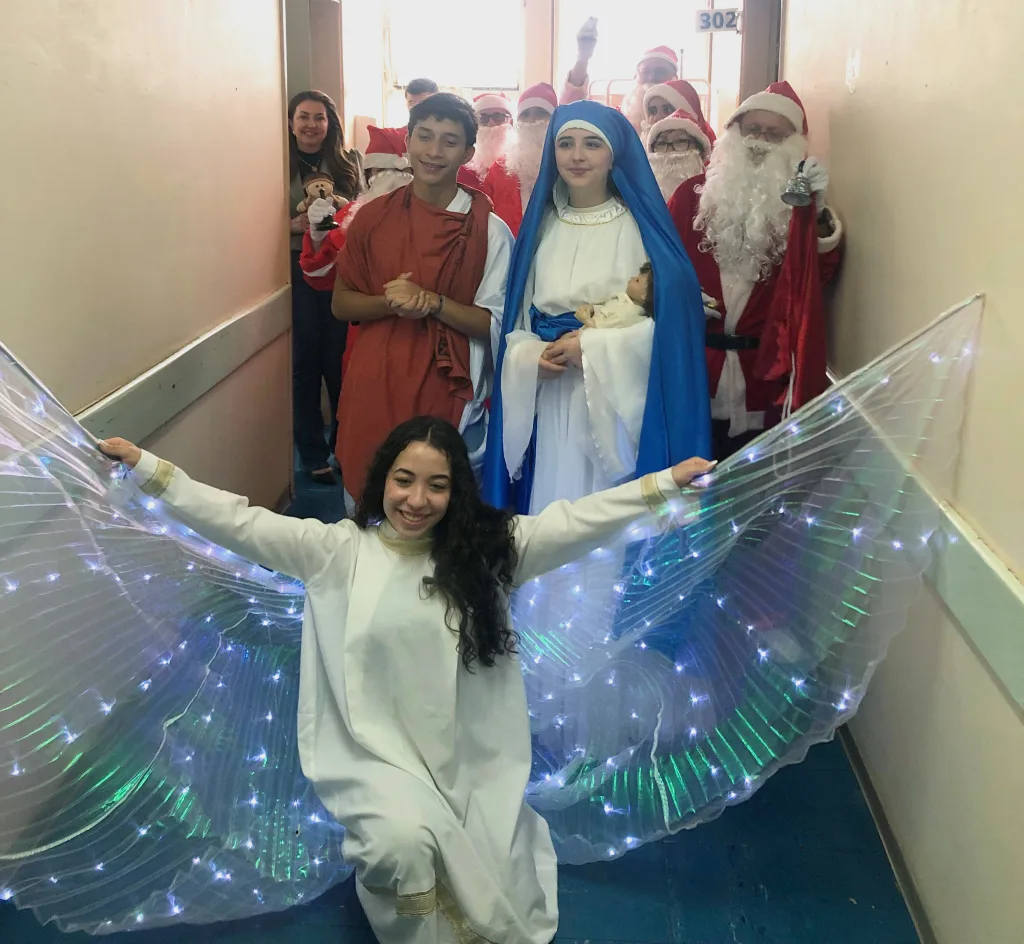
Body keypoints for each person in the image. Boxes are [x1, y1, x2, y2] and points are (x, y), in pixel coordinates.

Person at [97, 418, 713, 944]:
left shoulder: (490, 551)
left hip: (468, 761)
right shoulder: (336, 552)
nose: (417, 500)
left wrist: (663, 485)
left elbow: (578, 522)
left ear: (457, 492)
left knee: (483, 868)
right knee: (403, 846)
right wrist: (148, 469)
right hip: (371, 758)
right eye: (404, 480)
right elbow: (238, 521)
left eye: (437, 486)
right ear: (382, 481)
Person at [482, 100, 711, 514]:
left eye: (592, 144)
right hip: (551, 394)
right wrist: (529, 356)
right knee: (553, 504)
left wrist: (590, 348)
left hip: (614, 400)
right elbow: (518, 320)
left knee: (607, 507)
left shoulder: (641, 230)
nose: (577, 155)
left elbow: (671, 327)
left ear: (614, 153)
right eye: (565, 143)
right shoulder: (541, 230)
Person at [331, 93, 513, 507]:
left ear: (468, 152)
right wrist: (390, 304)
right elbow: (342, 304)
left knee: (438, 505)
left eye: (450, 141)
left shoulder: (490, 231)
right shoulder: (373, 217)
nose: (434, 151)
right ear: (408, 142)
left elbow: (495, 324)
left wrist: (433, 303)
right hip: (375, 379)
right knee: (369, 498)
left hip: (446, 386)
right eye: (425, 136)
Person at [667, 81, 843, 460]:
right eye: (752, 130)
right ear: (734, 133)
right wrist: (681, 297)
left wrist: (816, 214)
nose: (760, 141)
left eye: (774, 134)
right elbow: (658, 266)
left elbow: (816, 279)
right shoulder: (689, 196)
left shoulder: (799, 208)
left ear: (794, 144)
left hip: (764, 379)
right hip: (696, 371)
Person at [287, 90, 362, 486]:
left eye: (319, 117)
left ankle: (345, 446)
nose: (311, 125)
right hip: (296, 272)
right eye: (303, 116)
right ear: (290, 122)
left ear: (330, 123)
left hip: (340, 270)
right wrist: (293, 225)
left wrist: (339, 215)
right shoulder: (275, 163)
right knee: (305, 364)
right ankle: (313, 453)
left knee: (339, 362)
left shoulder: (349, 161)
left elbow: (362, 210)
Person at [300, 129, 415, 385]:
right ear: (369, 174)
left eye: (404, 172)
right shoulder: (350, 217)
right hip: (365, 334)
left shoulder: (436, 218)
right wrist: (317, 237)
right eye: (383, 171)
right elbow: (321, 278)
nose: (394, 179)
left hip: (421, 333)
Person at [481, 84, 559, 236]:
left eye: (541, 112)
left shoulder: (565, 165)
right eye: (525, 114)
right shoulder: (500, 168)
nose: (532, 120)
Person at [647, 106, 713, 201]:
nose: (670, 150)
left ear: (701, 153)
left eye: (681, 141)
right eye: (661, 143)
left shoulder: (711, 197)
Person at [566, 262, 655, 330]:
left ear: (644, 296)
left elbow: (599, 331)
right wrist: (593, 309)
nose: (631, 278)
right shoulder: (626, 302)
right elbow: (608, 311)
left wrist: (585, 319)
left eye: (637, 280)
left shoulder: (627, 314)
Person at [468, 92, 513, 178]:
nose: (491, 124)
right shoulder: (465, 163)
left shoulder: (520, 162)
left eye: (498, 116)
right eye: (483, 118)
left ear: (510, 121)